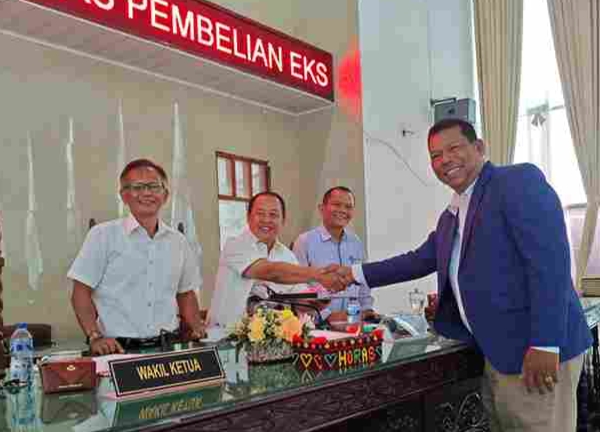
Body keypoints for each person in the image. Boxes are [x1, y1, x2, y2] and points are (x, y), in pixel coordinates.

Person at [332, 119, 592, 432]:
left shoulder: (515, 182)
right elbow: (416, 261)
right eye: (435, 155)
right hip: (497, 355)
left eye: (453, 148)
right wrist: (353, 273)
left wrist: (546, 343)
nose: (444, 160)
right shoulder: (451, 217)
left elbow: (549, 263)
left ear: (479, 147)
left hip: (534, 353)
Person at [68, 159, 205, 355]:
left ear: (165, 195)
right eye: (137, 187)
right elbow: (80, 292)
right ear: (124, 195)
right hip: (117, 351)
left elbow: (186, 293)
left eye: (154, 186)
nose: (147, 193)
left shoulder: (179, 242)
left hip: (167, 349)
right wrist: (94, 336)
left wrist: (197, 328)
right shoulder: (103, 235)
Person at [208, 191, 342, 329]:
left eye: (273, 215)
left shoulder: (287, 255)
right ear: (248, 217)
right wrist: (320, 274)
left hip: (269, 337)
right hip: (226, 335)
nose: (266, 220)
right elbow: (271, 272)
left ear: (283, 220)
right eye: (260, 213)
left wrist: (321, 299)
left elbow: (299, 297)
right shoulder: (235, 245)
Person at [292, 186, 377, 322]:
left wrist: (367, 310)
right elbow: (297, 287)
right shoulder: (304, 241)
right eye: (337, 204)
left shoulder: (356, 242)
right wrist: (327, 316)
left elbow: (363, 283)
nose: (343, 210)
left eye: (348, 207)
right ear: (321, 208)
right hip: (317, 324)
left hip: (354, 322)